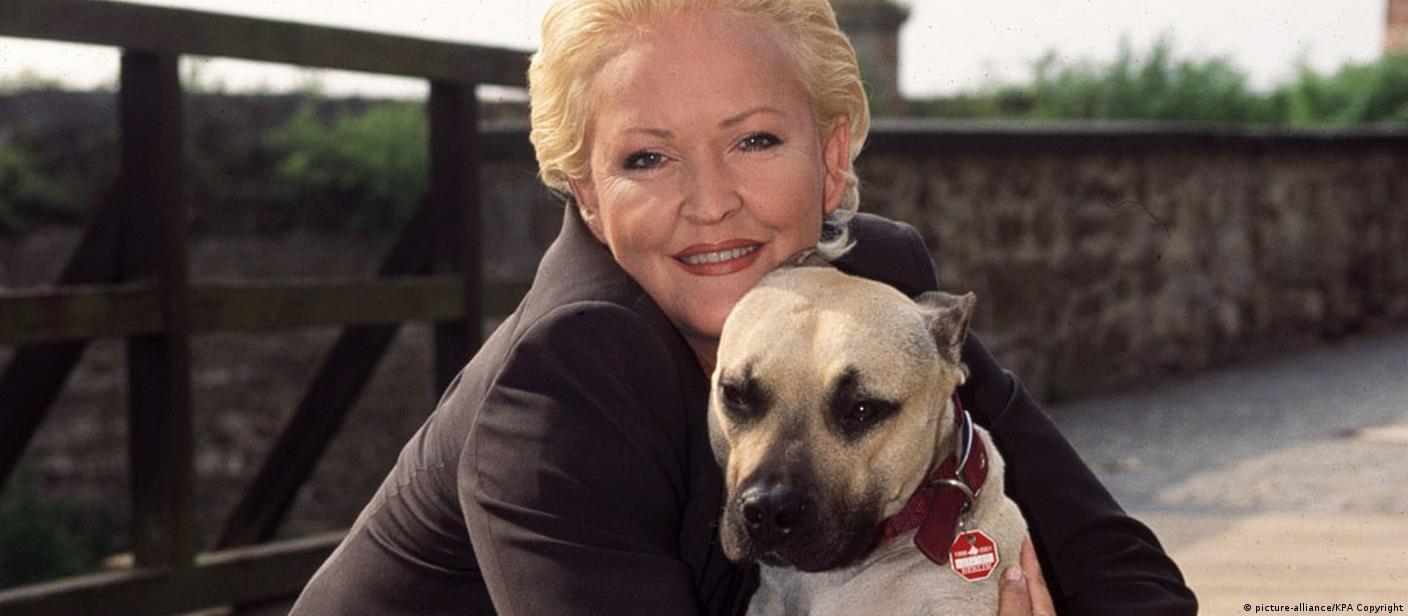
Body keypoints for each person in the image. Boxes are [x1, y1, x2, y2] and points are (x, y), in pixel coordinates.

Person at [291, 1, 1198, 614]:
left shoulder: (877, 291)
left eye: (755, 140)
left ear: (832, 159)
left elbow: (1126, 575)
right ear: (587, 195)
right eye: (648, 158)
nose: (711, 202)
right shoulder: (563, 381)